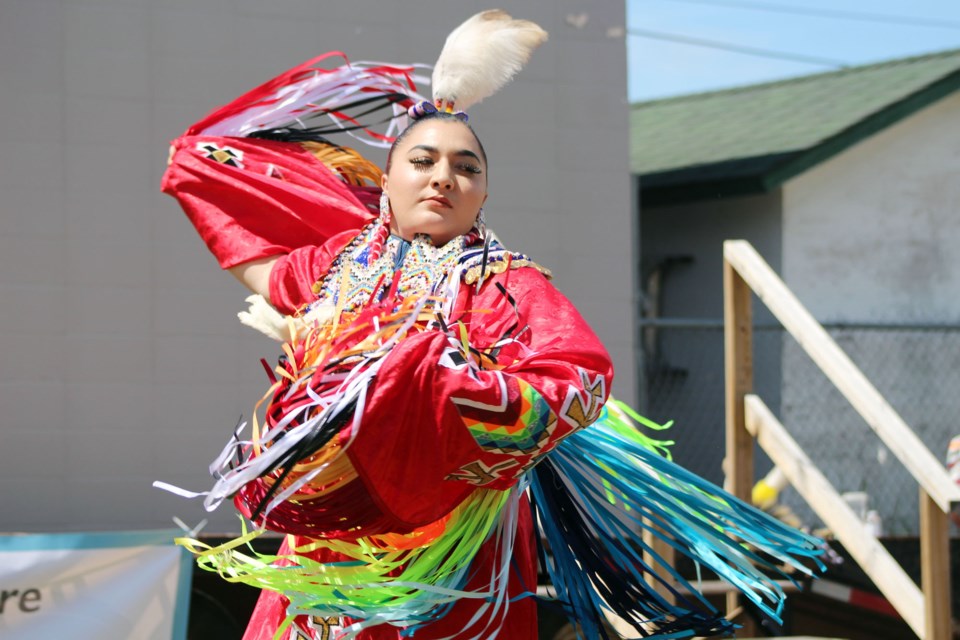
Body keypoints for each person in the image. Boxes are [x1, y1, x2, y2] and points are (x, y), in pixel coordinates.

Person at [159, 11, 821, 640]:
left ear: (482, 192)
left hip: (447, 554)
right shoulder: (336, 266)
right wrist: (197, 156)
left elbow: (580, 378)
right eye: (422, 161)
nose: (443, 176)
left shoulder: (503, 281)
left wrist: (443, 390)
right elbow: (242, 237)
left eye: (465, 167)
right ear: (386, 181)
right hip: (332, 544)